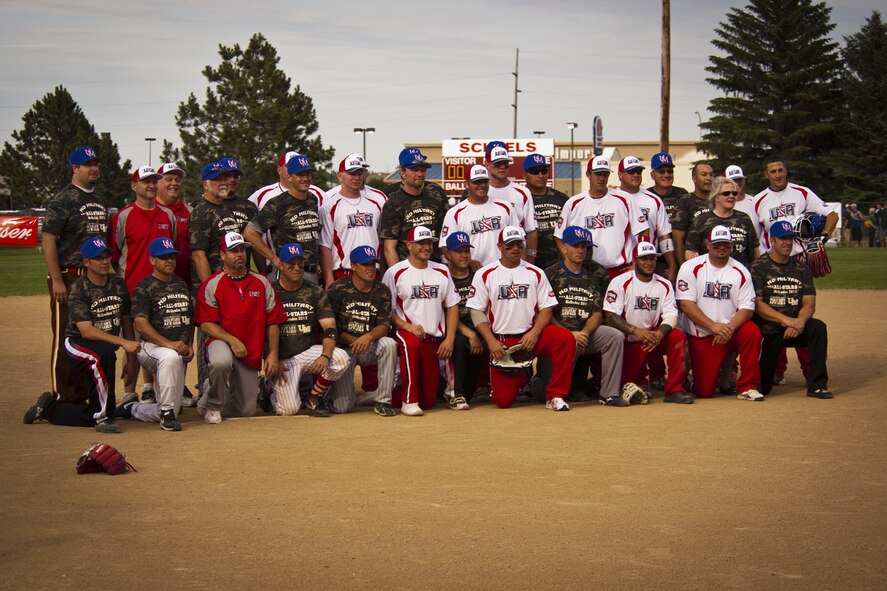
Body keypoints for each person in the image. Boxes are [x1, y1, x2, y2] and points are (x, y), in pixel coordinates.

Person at [24, 237, 139, 433]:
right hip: (76, 343)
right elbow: (86, 330)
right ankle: (103, 417)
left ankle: (51, 408)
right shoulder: (78, 288)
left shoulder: (118, 284)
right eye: (98, 258)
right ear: (86, 262)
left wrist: (131, 358)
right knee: (101, 355)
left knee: (91, 411)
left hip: (103, 345)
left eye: (106, 256)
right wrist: (123, 343)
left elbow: (126, 320)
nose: (104, 261)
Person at [466, 226, 576, 410]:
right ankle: (527, 380)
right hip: (504, 343)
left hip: (531, 337)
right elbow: (476, 311)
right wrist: (491, 341)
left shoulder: (535, 272)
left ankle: (555, 396)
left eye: (519, 244)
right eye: (510, 245)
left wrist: (534, 333)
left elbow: (547, 307)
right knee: (503, 402)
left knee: (565, 339)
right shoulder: (485, 273)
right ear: (500, 246)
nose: (515, 249)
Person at [194, 232, 287, 423]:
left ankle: (216, 389)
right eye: (233, 251)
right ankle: (213, 405)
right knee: (221, 362)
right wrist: (232, 340)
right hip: (222, 342)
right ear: (222, 255)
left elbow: (273, 320)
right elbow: (206, 324)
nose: (239, 255)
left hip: (250, 348)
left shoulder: (261, 282)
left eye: (242, 250)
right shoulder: (212, 284)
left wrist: (272, 354)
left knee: (246, 411)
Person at [41, 146, 109, 403]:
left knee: (90, 334)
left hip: (94, 277)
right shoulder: (64, 198)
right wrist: (57, 279)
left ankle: (88, 392)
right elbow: (48, 239)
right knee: (66, 335)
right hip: (69, 275)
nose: (93, 168)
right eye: (87, 164)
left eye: (95, 163)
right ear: (75, 168)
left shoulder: (100, 200)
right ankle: (64, 396)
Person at [110, 165, 177, 400]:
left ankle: (152, 390)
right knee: (131, 344)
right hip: (130, 289)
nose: (150, 185)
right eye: (145, 181)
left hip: (159, 291)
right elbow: (114, 253)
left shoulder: (166, 215)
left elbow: (171, 247)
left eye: (153, 181)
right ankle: (129, 393)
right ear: (134, 186)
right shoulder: (123, 216)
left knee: (156, 341)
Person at [675, 226, 763, 401]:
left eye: (725, 244)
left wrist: (727, 329)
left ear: (731, 245)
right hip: (704, 333)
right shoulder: (691, 267)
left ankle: (747, 386)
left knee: (752, 332)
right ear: (708, 244)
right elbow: (686, 304)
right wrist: (713, 326)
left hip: (730, 330)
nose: (721, 247)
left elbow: (747, 309)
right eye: (716, 244)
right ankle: (699, 375)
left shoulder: (740, 271)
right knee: (704, 392)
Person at [115, 237, 194, 431]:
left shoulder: (181, 284)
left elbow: (188, 319)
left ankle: (133, 408)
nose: (169, 261)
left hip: (177, 348)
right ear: (152, 260)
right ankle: (166, 413)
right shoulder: (144, 287)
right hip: (150, 348)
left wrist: (190, 344)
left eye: (172, 256)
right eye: (163, 257)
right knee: (170, 357)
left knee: (177, 410)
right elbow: (140, 325)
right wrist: (169, 344)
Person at [543, 226, 626, 406]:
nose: (581, 250)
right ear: (564, 248)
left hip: (582, 335)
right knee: (542, 390)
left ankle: (609, 393)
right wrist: (568, 334)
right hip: (558, 335)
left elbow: (596, 313)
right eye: (576, 246)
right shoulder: (550, 274)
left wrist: (585, 333)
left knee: (614, 336)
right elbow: (545, 312)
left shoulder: (591, 278)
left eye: (584, 246)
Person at [383, 226, 460, 415]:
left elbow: (452, 306)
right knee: (411, 345)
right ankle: (409, 401)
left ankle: (386, 394)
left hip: (433, 338)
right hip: (406, 333)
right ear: (409, 245)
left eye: (428, 243)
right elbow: (388, 310)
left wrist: (449, 338)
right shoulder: (395, 272)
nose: (426, 247)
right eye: (421, 243)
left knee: (428, 401)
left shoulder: (442, 271)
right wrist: (406, 326)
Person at [267, 243, 351, 416]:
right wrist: (270, 357)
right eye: (291, 264)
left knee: (341, 358)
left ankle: (314, 396)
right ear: (280, 265)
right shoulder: (270, 290)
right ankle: (267, 387)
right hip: (282, 358)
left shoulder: (315, 291)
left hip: (307, 351)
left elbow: (329, 328)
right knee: (289, 410)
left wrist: (325, 356)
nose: (297, 268)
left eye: (300, 263)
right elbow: (261, 328)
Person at [603, 242, 693, 404]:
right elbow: (610, 315)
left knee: (677, 335)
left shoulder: (664, 284)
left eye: (652, 258)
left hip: (654, 337)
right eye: (644, 259)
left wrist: (659, 334)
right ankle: (640, 382)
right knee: (626, 385)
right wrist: (635, 331)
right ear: (634, 261)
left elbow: (671, 315)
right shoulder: (619, 282)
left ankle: (673, 389)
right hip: (629, 341)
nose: (649, 263)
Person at [751, 221, 832, 398]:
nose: (787, 243)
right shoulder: (759, 267)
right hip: (770, 330)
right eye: (782, 239)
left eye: (790, 239)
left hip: (795, 327)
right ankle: (765, 378)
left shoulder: (801, 268)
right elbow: (758, 305)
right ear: (772, 241)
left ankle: (817, 385)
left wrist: (798, 323)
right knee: (764, 388)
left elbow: (809, 303)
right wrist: (786, 321)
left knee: (818, 328)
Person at [326, 246, 398, 416]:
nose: (371, 269)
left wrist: (368, 337)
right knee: (342, 407)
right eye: (366, 264)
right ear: (353, 266)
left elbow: (384, 325)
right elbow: (330, 326)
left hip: (368, 346)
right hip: (344, 351)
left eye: (373, 264)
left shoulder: (382, 291)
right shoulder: (337, 289)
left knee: (389, 344)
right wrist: (354, 340)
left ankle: (383, 401)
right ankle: (332, 393)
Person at [554, 156, 649, 278]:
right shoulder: (574, 203)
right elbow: (559, 236)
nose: (601, 178)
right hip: (586, 270)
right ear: (588, 174)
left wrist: (640, 261)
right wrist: (569, 259)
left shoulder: (624, 199)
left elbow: (643, 229)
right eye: (598, 174)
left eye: (605, 174)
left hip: (620, 269)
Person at [155, 162, 196, 407]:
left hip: (184, 282)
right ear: (157, 183)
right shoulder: (150, 209)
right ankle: (149, 387)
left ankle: (179, 385)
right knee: (154, 335)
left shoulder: (187, 212)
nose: (174, 183)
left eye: (177, 179)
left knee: (181, 331)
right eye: (168, 178)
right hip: (155, 285)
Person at [244, 155, 321, 284]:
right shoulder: (277, 204)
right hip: (287, 272)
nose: (306, 179)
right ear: (289, 177)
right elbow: (250, 232)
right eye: (300, 175)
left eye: (308, 174)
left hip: (311, 272)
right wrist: (273, 258)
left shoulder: (312, 199)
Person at [319, 154, 386, 286]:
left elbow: (382, 242)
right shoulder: (329, 206)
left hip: (372, 271)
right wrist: (328, 278)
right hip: (343, 272)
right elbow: (325, 246)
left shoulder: (375, 203)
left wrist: (383, 273)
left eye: (360, 173)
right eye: (351, 173)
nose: (357, 177)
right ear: (340, 176)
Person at [752, 155, 838, 255]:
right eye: (773, 172)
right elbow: (755, 237)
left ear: (786, 171)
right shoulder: (757, 200)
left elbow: (832, 215)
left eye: (781, 170)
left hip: (800, 257)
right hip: (771, 259)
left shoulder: (802, 193)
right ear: (766, 174)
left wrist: (823, 236)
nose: (778, 175)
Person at [379, 147, 448, 266]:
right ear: (402, 173)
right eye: (414, 170)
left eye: (423, 170)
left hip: (434, 266)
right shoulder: (393, 202)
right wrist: (398, 276)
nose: (420, 174)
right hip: (407, 268)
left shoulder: (436, 194)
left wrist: (445, 264)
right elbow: (389, 248)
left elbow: (444, 233)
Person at [439, 164, 518, 267]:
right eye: (477, 182)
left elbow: (519, 241)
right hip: (472, 273)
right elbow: (445, 248)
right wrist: (466, 261)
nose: (482, 185)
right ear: (467, 184)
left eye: (485, 181)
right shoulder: (455, 213)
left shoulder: (505, 207)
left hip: (503, 270)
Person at [614, 156, 676, 284]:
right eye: (631, 171)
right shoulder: (612, 197)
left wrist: (672, 266)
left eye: (639, 171)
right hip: (619, 265)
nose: (636, 174)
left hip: (647, 264)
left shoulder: (653, 200)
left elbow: (664, 236)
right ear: (620, 175)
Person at [442, 231, 486, 405]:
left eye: (467, 251)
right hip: (454, 328)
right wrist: (470, 333)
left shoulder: (478, 275)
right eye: (459, 251)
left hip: (478, 326)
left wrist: (478, 333)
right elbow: (445, 312)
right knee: (459, 341)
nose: (464, 255)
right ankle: (456, 393)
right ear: (447, 254)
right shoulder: (443, 276)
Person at [684, 176, 759, 268]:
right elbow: (689, 252)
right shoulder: (701, 220)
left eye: (734, 193)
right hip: (710, 275)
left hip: (739, 275)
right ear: (716, 197)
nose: (731, 196)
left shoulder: (744, 219)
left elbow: (755, 251)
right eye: (726, 193)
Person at [484, 141, 538, 261]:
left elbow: (531, 230)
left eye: (505, 163)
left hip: (516, 260)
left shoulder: (522, 192)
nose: (502, 167)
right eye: (498, 164)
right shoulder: (479, 192)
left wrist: (530, 260)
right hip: (485, 261)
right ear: (487, 164)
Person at [523, 152, 569, 270]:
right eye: (534, 171)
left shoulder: (562, 199)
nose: (540, 175)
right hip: (529, 263)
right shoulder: (520, 199)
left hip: (558, 264)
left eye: (544, 171)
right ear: (525, 174)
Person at [672, 163, 714, 266]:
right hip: (695, 260)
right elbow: (678, 239)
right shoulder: (685, 202)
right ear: (694, 178)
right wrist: (683, 266)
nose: (708, 178)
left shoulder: (718, 200)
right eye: (704, 174)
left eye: (711, 175)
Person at [723, 165, 760, 242]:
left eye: (738, 180)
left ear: (744, 180)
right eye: (732, 181)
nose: (736, 183)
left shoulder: (755, 202)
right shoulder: (722, 206)